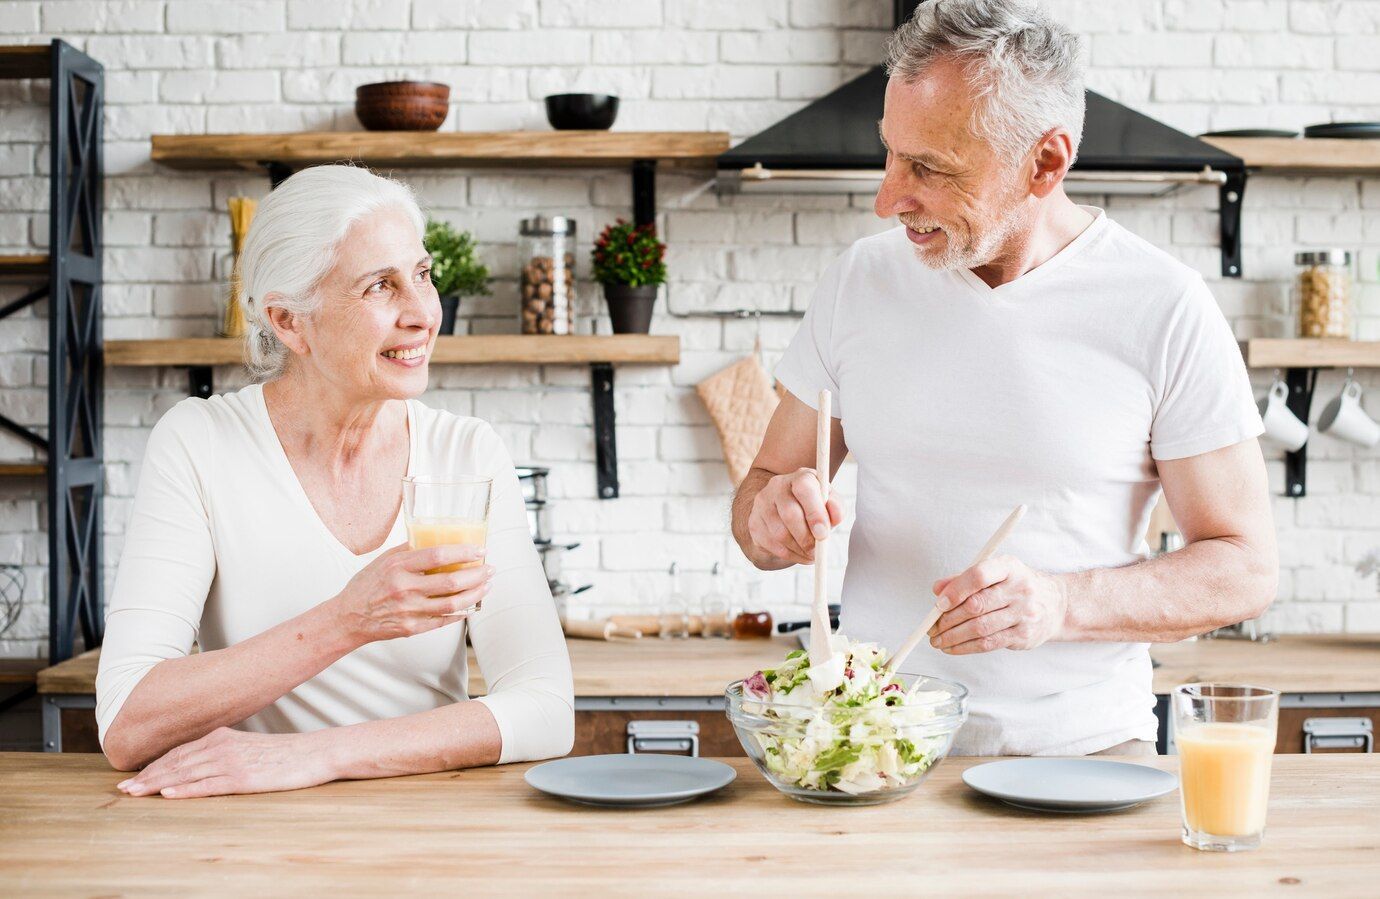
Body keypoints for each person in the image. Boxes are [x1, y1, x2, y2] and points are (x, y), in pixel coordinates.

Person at [731, 0, 1276, 756]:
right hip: (875, 753)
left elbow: (1244, 567)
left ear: (1045, 162)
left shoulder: (1163, 305)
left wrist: (1062, 602)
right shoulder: (858, 281)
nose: (888, 198)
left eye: (929, 168)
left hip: (1083, 755)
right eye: (891, 153)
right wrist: (770, 518)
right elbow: (761, 496)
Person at [97, 165, 574, 797]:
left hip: (428, 824)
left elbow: (547, 710)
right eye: (380, 286)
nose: (423, 314)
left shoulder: (466, 454)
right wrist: (349, 619)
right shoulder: (201, 442)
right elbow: (128, 724)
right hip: (248, 835)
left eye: (423, 275)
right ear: (290, 322)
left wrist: (315, 757)